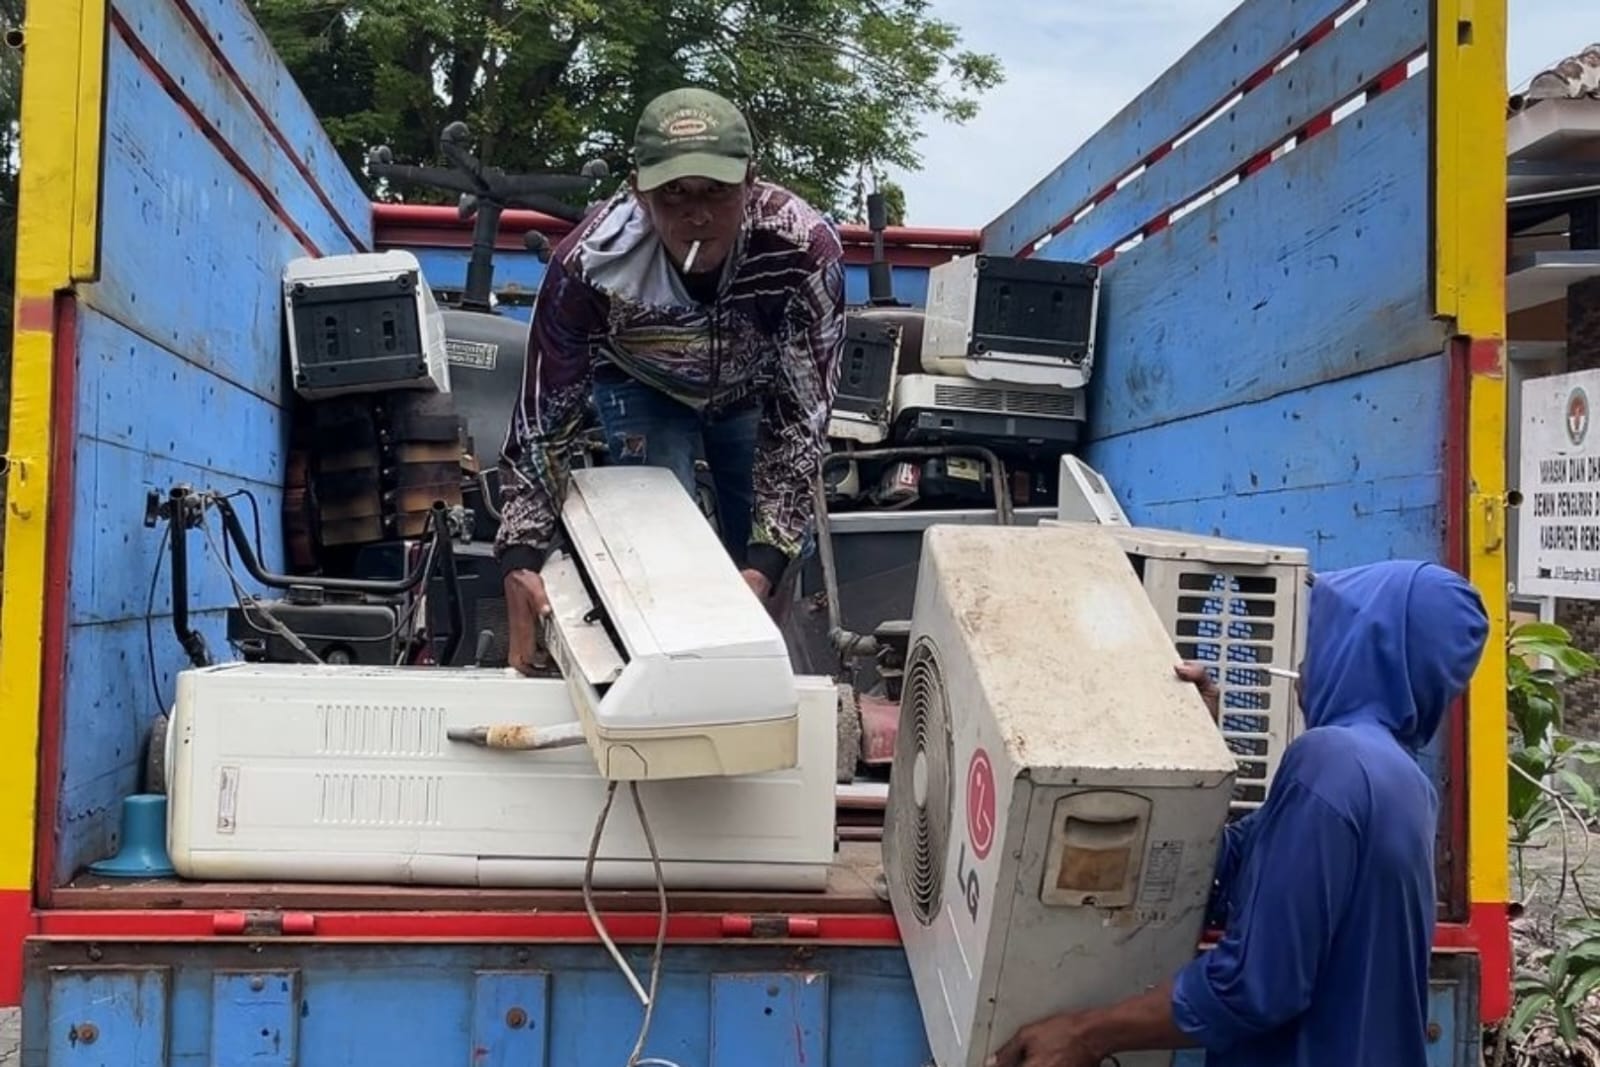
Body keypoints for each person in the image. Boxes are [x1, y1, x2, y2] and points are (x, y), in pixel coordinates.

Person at [990, 559, 1490, 1067]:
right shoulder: (1406, 784)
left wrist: (1087, 1035)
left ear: (1363, 647)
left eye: (1321, 633)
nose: (1306, 657)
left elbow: (1257, 985)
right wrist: (1197, 748)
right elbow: (1221, 871)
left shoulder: (1330, 763)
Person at [493, 87, 846, 673]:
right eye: (673, 195)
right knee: (656, 539)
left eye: (717, 192)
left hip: (751, 391)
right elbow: (544, 416)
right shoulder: (588, 265)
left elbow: (800, 418)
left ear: (751, 181)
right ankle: (661, 675)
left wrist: (766, 560)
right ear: (637, 189)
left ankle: (763, 670)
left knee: (771, 550)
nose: (697, 214)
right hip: (640, 383)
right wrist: (521, 553)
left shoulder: (802, 251)